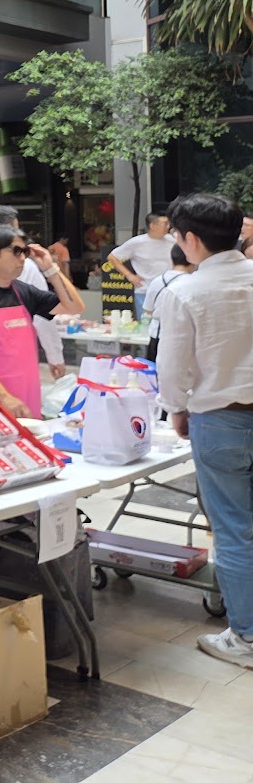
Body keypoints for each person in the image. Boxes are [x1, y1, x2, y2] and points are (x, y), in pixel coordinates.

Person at [153, 193, 253, 669]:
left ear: (190, 239)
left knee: (234, 530)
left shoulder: (185, 292)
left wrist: (175, 409)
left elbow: (172, 368)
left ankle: (247, 636)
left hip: (220, 418)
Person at [0, 225, 84, 419]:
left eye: (25, 252)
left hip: (27, 397)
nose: (22, 258)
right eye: (16, 251)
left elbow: (74, 307)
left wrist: (51, 269)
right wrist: (5, 397)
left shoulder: (23, 292)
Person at [0, 205, 69, 381]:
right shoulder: (26, 266)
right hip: (14, 359)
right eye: (16, 229)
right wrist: (55, 356)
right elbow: (44, 318)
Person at [107, 211, 177, 320]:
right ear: (152, 225)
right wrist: (129, 275)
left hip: (168, 290)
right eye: (164, 224)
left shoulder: (172, 241)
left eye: (168, 223)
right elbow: (112, 257)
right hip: (145, 290)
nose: (168, 227)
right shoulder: (137, 242)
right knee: (145, 323)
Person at [142, 244, 193, 360]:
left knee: (154, 369)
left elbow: (148, 310)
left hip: (157, 334)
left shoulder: (157, 281)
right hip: (182, 337)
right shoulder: (193, 282)